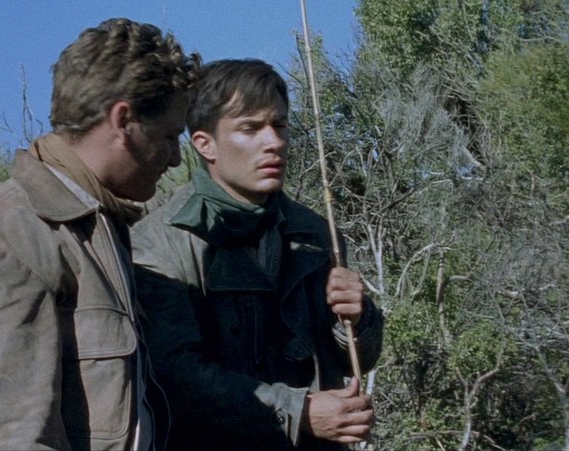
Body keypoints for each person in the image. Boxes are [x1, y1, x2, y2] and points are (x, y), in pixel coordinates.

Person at [0, 18, 199, 450]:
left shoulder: (94, 230)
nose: (175, 158)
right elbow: (10, 439)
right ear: (123, 120)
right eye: (170, 136)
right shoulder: (13, 236)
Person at [131, 59, 384, 451]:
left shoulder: (317, 234)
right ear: (205, 144)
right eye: (250, 128)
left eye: (279, 125)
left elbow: (356, 361)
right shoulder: (160, 242)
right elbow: (177, 378)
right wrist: (299, 412)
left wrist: (356, 319)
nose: (274, 142)